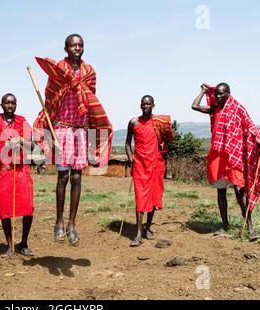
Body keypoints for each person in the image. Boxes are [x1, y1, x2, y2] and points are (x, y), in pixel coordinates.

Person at [33, 34, 113, 246]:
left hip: (81, 130)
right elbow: (51, 96)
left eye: (80, 45)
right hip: (61, 129)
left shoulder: (90, 72)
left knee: (77, 178)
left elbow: (90, 98)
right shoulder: (58, 70)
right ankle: (58, 222)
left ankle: (72, 225)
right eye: (73, 45)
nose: (77, 48)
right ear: (66, 48)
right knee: (62, 178)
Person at [192, 83, 260, 241]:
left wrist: (258, 138)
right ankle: (225, 225)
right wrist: (204, 91)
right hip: (218, 155)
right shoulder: (215, 109)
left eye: (221, 94)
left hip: (234, 154)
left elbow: (250, 124)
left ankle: (250, 227)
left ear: (229, 94)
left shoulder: (238, 108)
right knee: (221, 191)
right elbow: (194, 106)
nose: (218, 97)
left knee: (240, 190)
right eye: (216, 94)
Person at [0, 93, 34, 256]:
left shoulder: (22, 121)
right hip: (4, 170)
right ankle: (10, 245)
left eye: (13, 103)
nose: (10, 106)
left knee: (27, 207)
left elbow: (32, 145)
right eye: (7, 103)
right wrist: (5, 146)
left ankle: (24, 243)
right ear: (1, 105)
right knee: (5, 208)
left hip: (21, 170)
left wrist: (21, 141)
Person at [125, 95, 174, 246]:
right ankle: (138, 233)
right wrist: (131, 160)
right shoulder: (133, 122)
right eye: (143, 104)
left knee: (153, 196)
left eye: (148, 104)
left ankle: (148, 227)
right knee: (140, 197)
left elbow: (170, 136)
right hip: (139, 165)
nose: (145, 106)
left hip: (155, 164)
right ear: (140, 105)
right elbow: (127, 143)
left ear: (153, 105)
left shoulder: (158, 123)